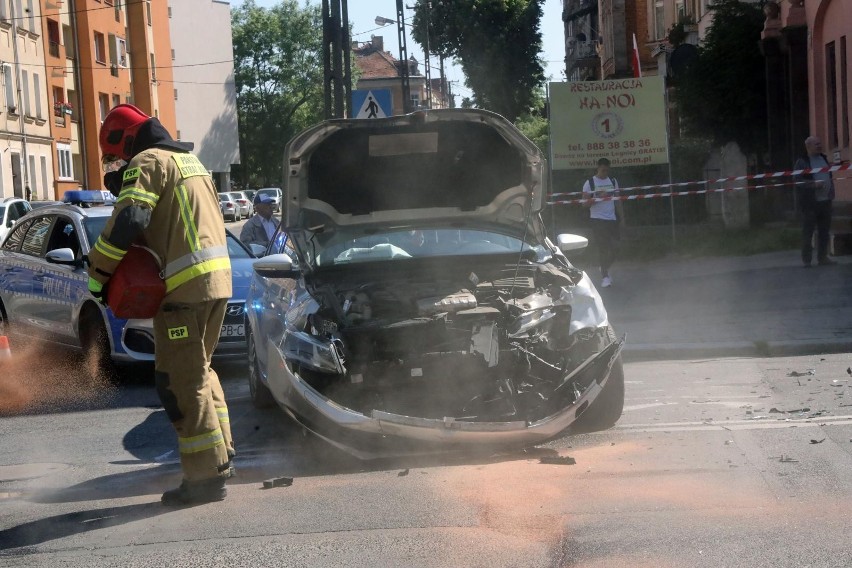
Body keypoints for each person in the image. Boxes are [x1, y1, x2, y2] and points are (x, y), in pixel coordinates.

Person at [87, 104, 235, 506]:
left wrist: (97, 274)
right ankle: (221, 457)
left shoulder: (148, 161)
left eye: (118, 156)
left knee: (178, 384)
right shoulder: (191, 163)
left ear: (125, 140)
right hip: (217, 283)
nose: (120, 165)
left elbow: (130, 220)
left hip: (182, 293)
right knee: (201, 373)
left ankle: (204, 479)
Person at [794, 136, 836, 267]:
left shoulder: (823, 158)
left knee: (824, 231)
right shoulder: (802, 161)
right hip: (810, 204)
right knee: (808, 232)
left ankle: (822, 258)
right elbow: (798, 180)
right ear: (808, 146)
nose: (819, 146)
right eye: (816, 144)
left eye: (820, 144)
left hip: (825, 202)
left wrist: (831, 192)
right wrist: (813, 184)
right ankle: (807, 260)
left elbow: (829, 175)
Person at [582, 157, 622, 288]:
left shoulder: (613, 181)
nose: (605, 173)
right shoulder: (590, 183)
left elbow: (618, 201)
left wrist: (623, 218)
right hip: (597, 219)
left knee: (616, 247)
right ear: (598, 168)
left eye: (607, 170)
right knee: (604, 248)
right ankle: (605, 276)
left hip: (611, 218)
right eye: (603, 170)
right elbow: (584, 204)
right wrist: (597, 197)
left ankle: (603, 267)